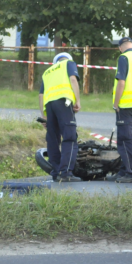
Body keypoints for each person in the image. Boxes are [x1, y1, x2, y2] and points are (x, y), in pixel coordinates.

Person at [108, 37, 132, 183]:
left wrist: (116, 103)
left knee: (124, 139)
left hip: (125, 104)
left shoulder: (124, 58)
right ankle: (125, 170)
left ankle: (131, 173)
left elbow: (121, 82)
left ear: (120, 47)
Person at [39, 52, 82, 182]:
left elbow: (41, 95)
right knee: (70, 137)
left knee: (52, 139)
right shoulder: (69, 63)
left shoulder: (47, 72)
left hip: (50, 106)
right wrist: (78, 100)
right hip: (64, 102)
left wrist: (43, 116)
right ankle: (66, 173)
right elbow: (73, 79)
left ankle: (56, 172)